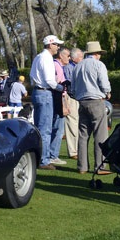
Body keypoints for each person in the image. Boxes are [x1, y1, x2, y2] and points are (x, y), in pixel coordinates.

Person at [71, 41, 111, 175]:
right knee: (100, 135)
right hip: (96, 101)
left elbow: (73, 87)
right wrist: (107, 92)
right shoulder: (99, 65)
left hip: (82, 102)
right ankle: (100, 166)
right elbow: (104, 83)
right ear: (97, 53)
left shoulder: (77, 66)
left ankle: (82, 166)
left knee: (83, 135)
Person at [30, 34, 64, 169]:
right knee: (45, 129)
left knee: (39, 127)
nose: (58, 47)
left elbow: (32, 77)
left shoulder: (38, 57)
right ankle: (43, 160)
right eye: (56, 44)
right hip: (44, 93)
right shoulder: (47, 58)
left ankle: (38, 157)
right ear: (50, 44)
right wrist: (61, 87)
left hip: (37, 92)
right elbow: (50, 81)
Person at [62, 48, 82, 159]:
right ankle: (73, 151)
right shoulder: (68, 68)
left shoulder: (78, 67)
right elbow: (70, 83)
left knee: (78, 124)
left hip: (79, 98)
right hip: (72, 97)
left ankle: (78, 149)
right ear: (74, 58)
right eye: (81, 57)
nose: (82, 59)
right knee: (72, 124)